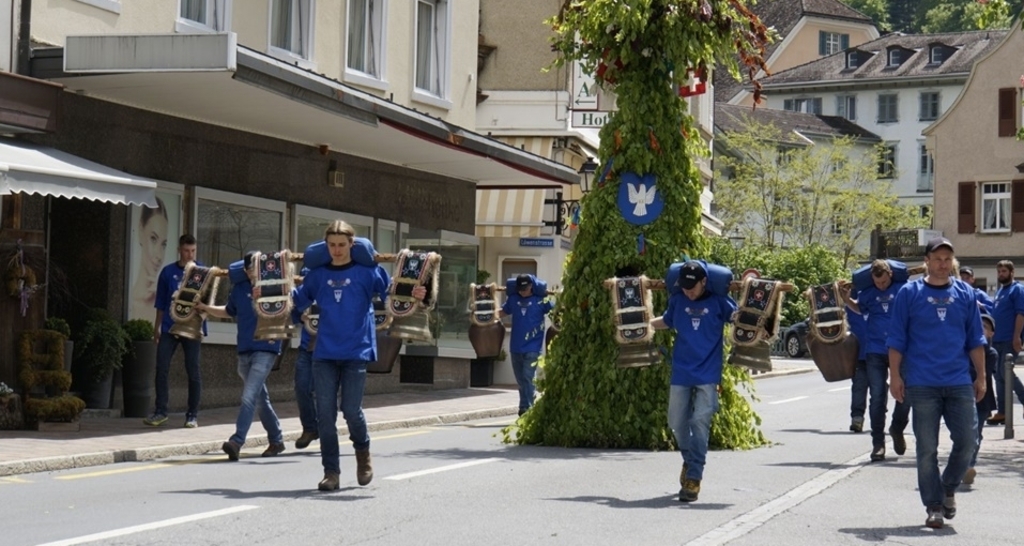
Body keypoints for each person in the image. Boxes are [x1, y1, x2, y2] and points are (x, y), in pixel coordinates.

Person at [291, 220, 425, 491]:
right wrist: (268, 296)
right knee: (325, 416)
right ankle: (332, 472)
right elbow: (296, 303)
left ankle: (363, 456)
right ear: (326, 245)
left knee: (351, 411)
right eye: (332, 245)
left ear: (352, 244)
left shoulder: (368, 272)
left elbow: (394, 295)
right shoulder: (317, 275)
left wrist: (416, 294)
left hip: (356, 350)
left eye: (342, 245)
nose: (337, 250)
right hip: (324, 353)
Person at [887, 237, 986, 529]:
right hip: (922, 381)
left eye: (947, 259)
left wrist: (981, 376)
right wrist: (895, 375)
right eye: (937, 258)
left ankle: (947, 487)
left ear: (952, 262)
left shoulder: (966, 294)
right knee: (927, 447)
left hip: (958, 380)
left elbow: (976, 339)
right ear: (927, 261)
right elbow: (896, 339)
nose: (943, 264)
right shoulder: (909, 293)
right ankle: (933, 506)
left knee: (968, 442)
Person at [651, 260, 737, 503]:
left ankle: (694, 478)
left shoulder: (719, 302)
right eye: (685, 286)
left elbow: (740, 320)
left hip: (708, 375)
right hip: (681, 372)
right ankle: (690, 462)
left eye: (693, 287)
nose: (688, 291)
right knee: (676, 422)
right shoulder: (678, 300)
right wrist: (640, 326)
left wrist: (758, 317)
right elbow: (667, 321)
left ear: (704, 282)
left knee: (700, 422)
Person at [198, 252, 285, 461]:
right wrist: (205, 309)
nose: (253, 272)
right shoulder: (239, 289)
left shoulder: (275, 286)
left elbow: (287, 311)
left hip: (266, 348)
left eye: (256, 268)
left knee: (248, 396)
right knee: (259, 399)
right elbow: (229, 311)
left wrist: (263, 299)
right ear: (245, 271)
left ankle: (237, 441)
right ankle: (276, 439)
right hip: (244, 350)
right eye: (249, 269)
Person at [842, 259, 911, 461]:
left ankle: (897, 427)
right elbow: (859, 308)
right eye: (876, 282)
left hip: (901, 348)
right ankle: (878, 443)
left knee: (906, 394)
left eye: (883, 282)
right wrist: (847, 300)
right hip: (875, 350)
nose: (880, 286)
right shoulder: (869, 292)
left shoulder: (903, 290)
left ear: (890, 274)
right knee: (878, 397)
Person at [145, 234, 203, 428]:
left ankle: (192, 415)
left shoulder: (201, 272)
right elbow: (160, 303)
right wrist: (157, 328)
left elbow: (209, 302)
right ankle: (160, 411)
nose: (190, 255)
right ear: (179, 250)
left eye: (193, 251)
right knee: (161, 368)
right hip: (170, 327)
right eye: (186, 251)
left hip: (192, 328)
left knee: (192, 370)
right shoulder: (168, 272)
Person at [497, 274, 554, 416]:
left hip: (533, 347)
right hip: (515, 346)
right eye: (520, 289)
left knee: (528, 377)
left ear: (531, 287)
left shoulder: (541, 300)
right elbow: (503, 312)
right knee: (521, 380)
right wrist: (483, 315)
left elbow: (555, 311)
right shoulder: (514, 299)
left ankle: (528, 408)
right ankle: (524, 406)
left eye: (525, 288)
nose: (522, 291)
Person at [986, 260, 1024, 425]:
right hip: (996, 340)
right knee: (999, 377)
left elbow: (1021, 314)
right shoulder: (1001, 291)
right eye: (999, 271)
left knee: (1005, 372)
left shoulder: (1018, 290)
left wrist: (1017, 336)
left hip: (1010, 339)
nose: (1001, 274)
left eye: (1004, 271)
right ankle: (1002, 412)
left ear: (1012, 272)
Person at [965, 313, 998, 485]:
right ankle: (963, 464)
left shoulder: (991, 353)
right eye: (978, 325)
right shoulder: (964, 348)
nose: (981, 329)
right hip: (963, 396)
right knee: (965, 433)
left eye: (985, 327)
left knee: (976, 432)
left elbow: (981, 372)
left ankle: (969, 465)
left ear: (991, 333)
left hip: (982, 398)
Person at [129, 197, 169, 322]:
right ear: (141, 231)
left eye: (163, 244)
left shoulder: (163, 301)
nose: (159, 255)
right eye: (153, 239)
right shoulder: (131, 302)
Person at [291, 269, 319, 450]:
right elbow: (292, 313)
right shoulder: (302, 295)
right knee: (302, 388)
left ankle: (326, 431)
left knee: (325, 394)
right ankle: (310, 428)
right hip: (306, 349)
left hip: (329, 350)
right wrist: (299, 316)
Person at [847, 301, 868, 433]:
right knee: (859, 387)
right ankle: (857, 419)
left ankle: (879, 420)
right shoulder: (849, 305)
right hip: (858, 354)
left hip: (878, 354)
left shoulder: (876, 299)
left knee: (879, 391)